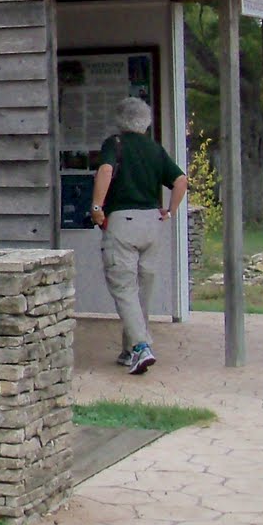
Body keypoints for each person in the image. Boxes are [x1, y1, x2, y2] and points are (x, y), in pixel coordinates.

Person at [90, 96, 187, 375]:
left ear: (120, 120)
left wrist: (97, 206)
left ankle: (141, 346)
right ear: (146, 121)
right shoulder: (155, 149)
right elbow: (180, 180)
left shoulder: (115, 144)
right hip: (152, 223)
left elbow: (106, 170)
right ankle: (128, 349)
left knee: (123, 287)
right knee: (142, 289)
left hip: (123, 222)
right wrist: (170, 210)